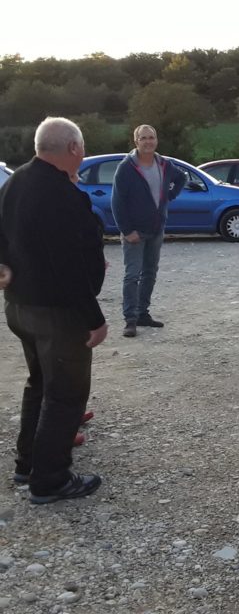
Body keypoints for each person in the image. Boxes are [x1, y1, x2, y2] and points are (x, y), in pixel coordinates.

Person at [0, 117, 107, 504]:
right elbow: (69, 266)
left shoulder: (15, 181)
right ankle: (51, 480)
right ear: (73, 148)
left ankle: (27, 463)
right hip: (57, 314)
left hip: (20, 308)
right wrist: (94, 318)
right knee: (65, 394)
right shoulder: (61, 195)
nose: (83, 155)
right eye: (83, 149)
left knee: (40, 384)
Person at [111, 125, 187, 338]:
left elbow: (182, 178)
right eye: (143, 138)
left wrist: (168, 197)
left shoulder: (164, 164)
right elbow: (117, 203)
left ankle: (143, 313)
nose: (148, 142)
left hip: (156, 228)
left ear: (156, 140)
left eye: (151, 137)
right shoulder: (126, 168)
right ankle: (130, 320)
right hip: (135, 231)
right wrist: (127, 230)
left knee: (150, 273)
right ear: (136, 142)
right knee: (132, 275)